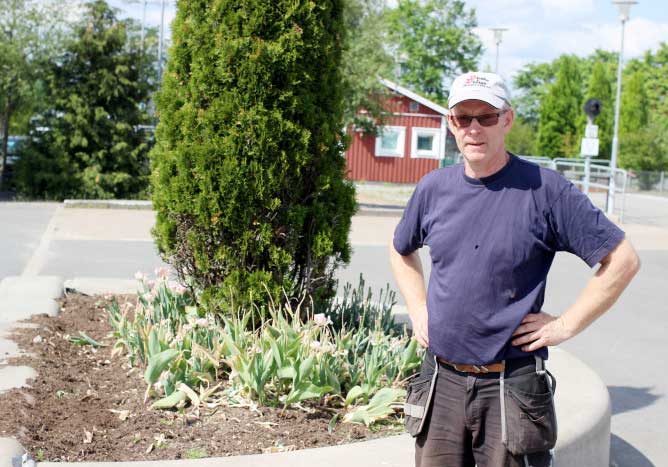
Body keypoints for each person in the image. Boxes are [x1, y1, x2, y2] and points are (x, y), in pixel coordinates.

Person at [390, 71, 640, 467]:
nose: (474, 128)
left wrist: (564, 326)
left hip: (511, 387)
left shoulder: (545, 190)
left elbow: (623, 260)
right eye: (463, 118)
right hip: (441, 383)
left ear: (507, 119)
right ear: (451, 123)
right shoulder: (433, 188)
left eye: (486, 117)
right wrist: (418, 308)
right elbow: (401, 249)